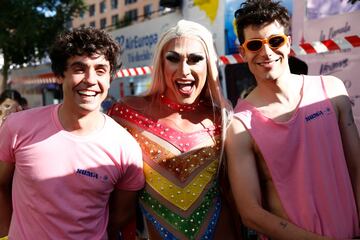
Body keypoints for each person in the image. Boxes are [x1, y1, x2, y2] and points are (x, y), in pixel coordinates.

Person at [226, 0, 360, 239]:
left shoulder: (332, 90)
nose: (266, 52)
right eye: (255, 45)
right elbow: (250, 213)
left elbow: (357, 169)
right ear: (243, 52)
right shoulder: (240, 126)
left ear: (288, 43)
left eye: (275, 41)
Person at [0, 27, 145, 239]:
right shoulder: (18, 127)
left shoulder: (126, 147)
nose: (90, 79)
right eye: (79, 68)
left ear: (110, 78)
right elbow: (1, 185)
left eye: (101, 70)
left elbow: (120, 217)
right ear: (60, 75)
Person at [108, 20, 241, 239]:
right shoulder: (126, 113)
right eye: (173, 59)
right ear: (161, 62)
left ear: (208, 64)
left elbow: (233, 196)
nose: (184, 70)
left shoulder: (223, 119)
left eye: (195, 59)